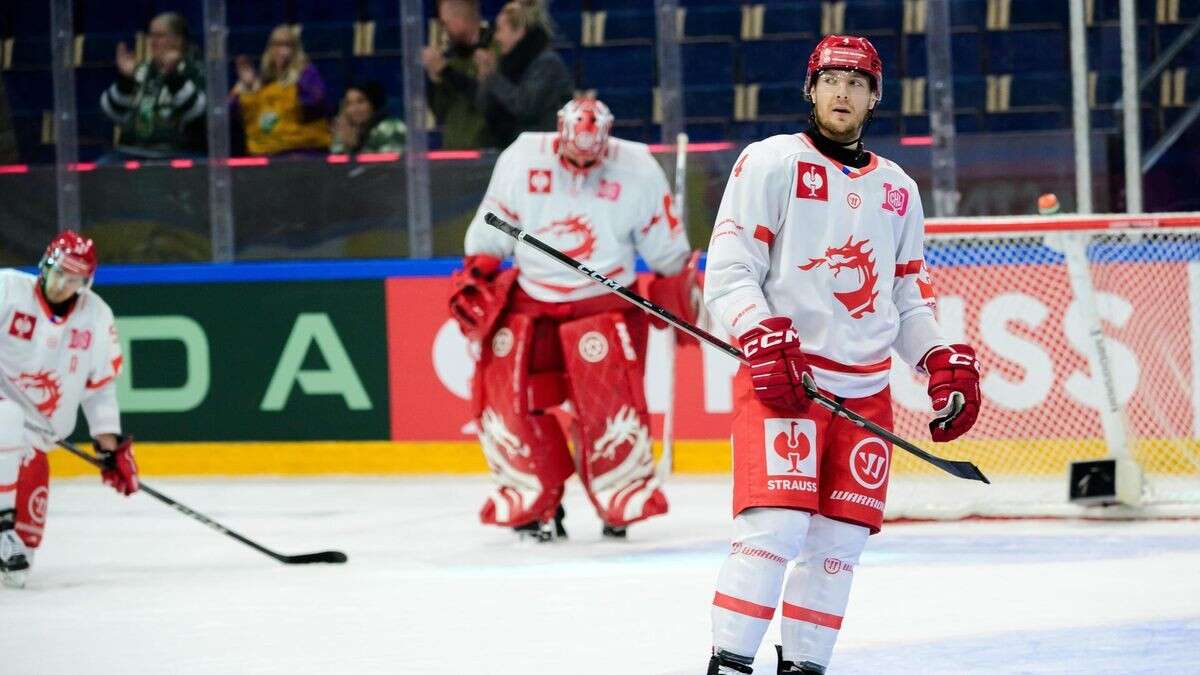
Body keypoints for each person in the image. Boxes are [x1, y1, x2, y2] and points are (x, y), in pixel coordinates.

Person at [702, 35, 982, 674]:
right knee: (771, 534)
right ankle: (730, 664)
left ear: (874, 97)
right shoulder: (771, 162)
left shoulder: (898, 189)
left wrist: (937, 360)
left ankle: (805, 667)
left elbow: (908, 297)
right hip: (786, 382)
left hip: (865, 393)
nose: (843, 93)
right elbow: (729, 269)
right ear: (811, 88)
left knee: (837, 548)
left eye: (857, 83)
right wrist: (760, 333)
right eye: (832, 80)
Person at [449, 98, 700, 541]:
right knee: (510, 398)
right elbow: (491, 227)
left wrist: (678, 286)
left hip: (604, 300)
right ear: (559, 135)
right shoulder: (523, 155)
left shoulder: (637, 167)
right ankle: (532, 499)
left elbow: (665, 250)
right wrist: (477, 273)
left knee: (608, 408)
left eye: (592, 157)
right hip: (532, 297)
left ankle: (618, 499)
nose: (582, 166)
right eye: (572, 156)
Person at [0, 231, 138, 589]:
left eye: (73, 279)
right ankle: (1, 524)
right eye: (58, 272)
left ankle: (10, 534)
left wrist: (109, 445)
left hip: (34, 442)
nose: (62, 285)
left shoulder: (96, 315)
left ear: (85, 282)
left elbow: (99, 388)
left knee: (20, 564)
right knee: (7, 417)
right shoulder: (8, 290)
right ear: (45, 265)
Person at [99, 12, 207, 161]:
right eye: (152, 36)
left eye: (160, 36)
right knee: (102, 167)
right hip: (132, 151)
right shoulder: (141, 69)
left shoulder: (195, 69)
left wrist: (173, 77)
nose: (153, 42)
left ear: (178, 40)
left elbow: (198, 114)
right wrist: (125, 81)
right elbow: (112, 113)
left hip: (178, 152)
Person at [474, 1, 573, 149]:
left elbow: (525, 106)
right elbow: (484, 108)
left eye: (500, 30)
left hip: (541, 152)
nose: (496, 37)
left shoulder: (547, 64)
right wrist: (485, 77)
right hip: (510, 150)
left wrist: (492, 77)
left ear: (519, 31)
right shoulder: (506, 64)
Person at [230, 25, 330, 156]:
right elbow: (230, 113)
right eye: (276, 44)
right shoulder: (260, 81)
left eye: (287, 45)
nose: (281, 50)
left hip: (303, 153)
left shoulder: (307, 74)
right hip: (265, 155)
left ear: (295, 49)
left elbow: (316, 103)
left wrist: (297, 81)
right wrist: (247, 88)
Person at [421, 0, 494, 149]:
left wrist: (446, 72)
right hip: (453, 154)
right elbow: (440, 112)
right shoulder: (451, 58)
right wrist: (434, 80)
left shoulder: (494, 52)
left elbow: (489, 101)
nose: (444, 29)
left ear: (462, 18)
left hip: (487, 152)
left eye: (446, 22)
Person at [330, 82, 407, 155]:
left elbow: (390, 165)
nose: (354, 109)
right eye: (348, 103)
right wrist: (345, 143)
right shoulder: (348, 130)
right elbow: (337, 164)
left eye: (361, 102)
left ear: (373, 103)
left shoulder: (390, 127)